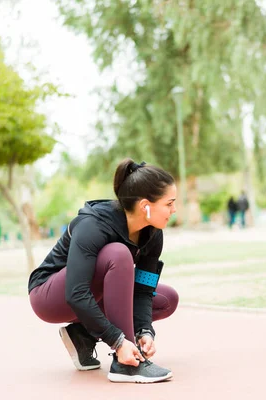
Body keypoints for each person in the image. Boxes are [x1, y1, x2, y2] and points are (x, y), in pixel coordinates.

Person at [28, 159, 179, 383]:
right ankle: (125, 365)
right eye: (169, 203)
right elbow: (76, 293)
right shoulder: (94, 225)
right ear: (145, 206)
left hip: (89, 297)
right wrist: (118, 341)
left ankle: (83, 333)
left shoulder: (153, 235)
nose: (174, 210)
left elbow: (144, 289)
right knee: (117, 253)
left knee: (167, 299)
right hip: (49, 296)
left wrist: (144, 330)